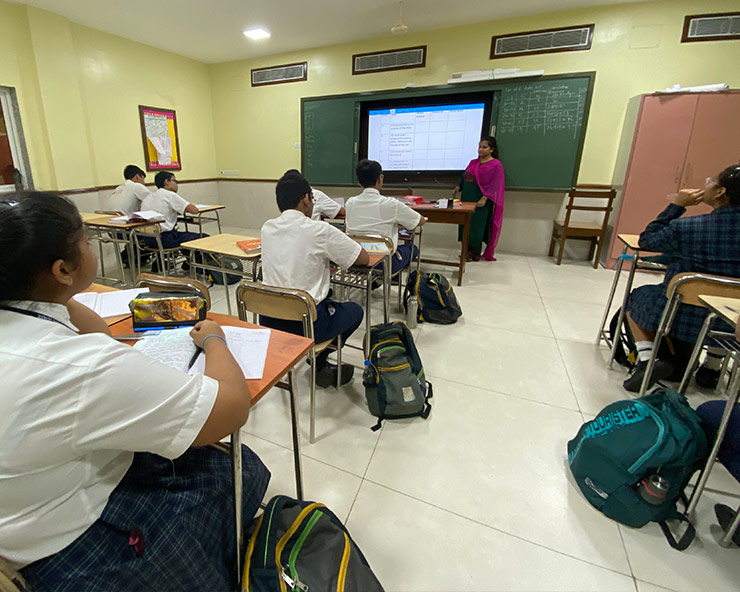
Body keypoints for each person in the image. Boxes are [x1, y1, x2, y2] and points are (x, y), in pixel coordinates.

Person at [0, 192, 269, 591]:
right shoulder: (77, 366)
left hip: (21, 525)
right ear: (61, 269)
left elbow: (99, 336)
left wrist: (59, 292)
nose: (91, 246)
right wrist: (214, 340)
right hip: (70, 546)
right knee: (236, 466)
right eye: (87, 241)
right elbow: (231, 410)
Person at [623, 165, 740, 392]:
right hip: (733, 321)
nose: (706, 184)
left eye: (710, 181)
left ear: (720, 193)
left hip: (681, 315)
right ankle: (712, 368)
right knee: (725, 306)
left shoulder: (688, 228)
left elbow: (647, 241)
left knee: (637, 296)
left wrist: (677, 205)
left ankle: (646, 358)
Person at [259, 173, 369, 388]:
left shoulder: (267, 228)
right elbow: (362, 258)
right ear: (306, 199)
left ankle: (317, 361)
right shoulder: (320, 230)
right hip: (307, 325)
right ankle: (319, 361)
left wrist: (320, 261)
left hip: (269, 320)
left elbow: (291, 257)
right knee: (355, 311)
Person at [346, 159, 425, 275]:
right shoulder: (391, 204)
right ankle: (386, 281)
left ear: (359, 181)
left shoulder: (350, 203)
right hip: (383, 263)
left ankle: (377, 282)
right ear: (380, 178)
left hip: (355, 259)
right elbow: (420, 221)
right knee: (412, 249)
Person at [452, 136, 505, 262]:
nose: (480, 150)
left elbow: (495, 184)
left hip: (480, 202)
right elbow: (464, 176)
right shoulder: (473, 162)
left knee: (476, 227)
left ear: (491, 149)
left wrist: (484, 199)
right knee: (464, 225)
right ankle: (465, 251)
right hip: (466, 199)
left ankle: (474, 253)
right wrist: (458, 186)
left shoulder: (495, 165)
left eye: (484, 147)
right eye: (479, 146)